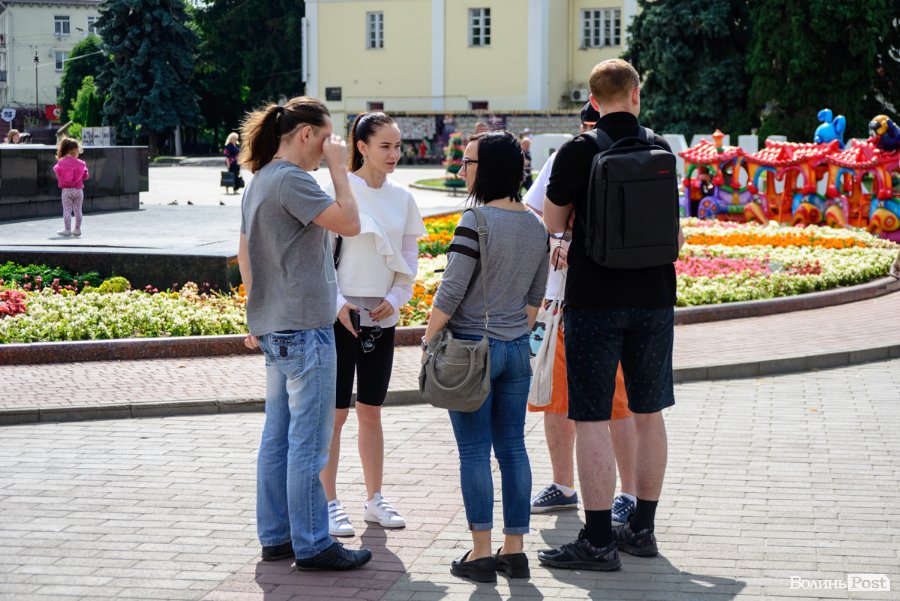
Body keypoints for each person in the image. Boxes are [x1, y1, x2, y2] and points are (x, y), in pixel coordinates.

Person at [538, 59, 684, 571]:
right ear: (636, 95)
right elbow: (674, 233)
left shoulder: (578, 150)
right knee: (649, 413)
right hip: (655, 297)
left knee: (592, 417)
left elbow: (554, 221)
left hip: (595, 298)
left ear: (594, 102)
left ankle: (598, 540)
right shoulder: (660, 148)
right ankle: (641, 530)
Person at [237, 96, 371, 571]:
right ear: (306, 134)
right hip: (305, 328)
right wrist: (339, 170)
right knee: (310, 443)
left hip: (277, 325)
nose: (330, 146)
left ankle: (277, 536)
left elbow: (244, 252)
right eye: (327, 138)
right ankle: (313, 542)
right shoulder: (293, 180)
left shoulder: (261, 180)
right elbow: (350, 223)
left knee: (278, 437)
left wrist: (257, 313)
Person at [422, 131, 549, 583]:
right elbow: (535, 298)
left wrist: (428, 340)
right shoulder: (536, 225)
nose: (461, 171)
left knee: (474, 452)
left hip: (472, 351)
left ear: (489, 168)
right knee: (513, 449)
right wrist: (512, 332)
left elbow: (451, 290)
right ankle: (514, 553)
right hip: (516, 350)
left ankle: (480, 555)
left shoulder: (475, 220)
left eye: (468, 162)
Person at [525, 102, 638, 527]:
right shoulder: (566, 156)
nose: (592, 130)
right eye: (588, 124)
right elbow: (537, 210)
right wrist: (556, 239)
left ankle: (627, 492)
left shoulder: (636, 157)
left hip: (608, 299)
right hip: (562, 300)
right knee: (556, 396)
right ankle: (564, 484)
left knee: (617, 402)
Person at [321, 112, 426, 538]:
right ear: (361, 147)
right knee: (335, 415)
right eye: (385, 146)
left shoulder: (403, 198)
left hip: (382, 316)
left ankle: (374, 499)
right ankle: (328, 503)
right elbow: (319, 258)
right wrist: (339, 305)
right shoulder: (339, 189)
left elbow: (409, 260)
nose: (394, 154)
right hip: (340, 316)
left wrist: (395, 299)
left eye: (398, 146)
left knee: (371, 410)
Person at [53, 137, 89, 237]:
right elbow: (86, 176)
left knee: (67, 210)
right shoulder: (81, 163)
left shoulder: (61, 162)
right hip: (78, 190)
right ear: (75, 150)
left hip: (66, 190)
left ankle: (67, 229)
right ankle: (77, 229)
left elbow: (57, 171)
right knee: (78, 211)